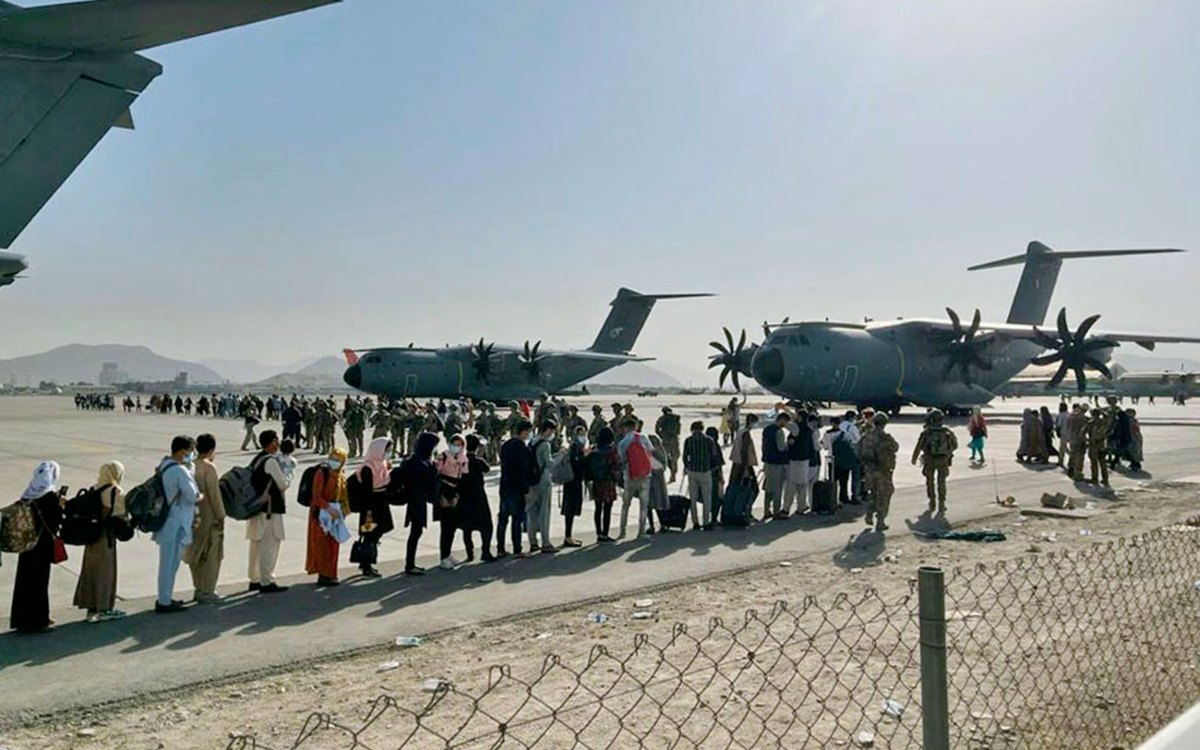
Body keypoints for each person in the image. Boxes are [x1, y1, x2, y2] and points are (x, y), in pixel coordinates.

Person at [10, 462, 66, 633]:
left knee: (24, 581)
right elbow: (56, 520)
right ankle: (38, 621)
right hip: (41, 546)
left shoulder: (28, 494)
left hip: (26, 544)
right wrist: (61, 504)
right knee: (39, 583)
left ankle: (21, 620)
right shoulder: (48, 497)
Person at [73, 461, 127, 622]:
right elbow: (121, 514)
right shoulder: (115, 491)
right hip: (106, 536)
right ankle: (104, 608)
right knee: (106, 572)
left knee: (90, 571)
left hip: (91, 536)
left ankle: (91, 607)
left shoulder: (95, 488)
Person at [156, 436, 201, 613]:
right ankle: (164, 601)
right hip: (176, 523)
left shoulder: (164, 465)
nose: (191, 455)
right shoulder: (180, 471)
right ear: (182, 452)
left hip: (167, 521)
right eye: (190, 451)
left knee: (167, 563)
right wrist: (201, 497)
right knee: (170, 563)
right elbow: (192, 495)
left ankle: (165, 597)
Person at [246, 430, 289, 593]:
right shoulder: (271, 461)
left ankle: (255, 579)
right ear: (271, 442)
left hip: (256, 508)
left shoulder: (257, 459)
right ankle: (267, 580)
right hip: (270, 510)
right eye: (276, 441)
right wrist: (289, 475)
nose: (278, 444)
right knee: (270, 545)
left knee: (256, 545)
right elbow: (282, 483)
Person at [184, 434, 225, 604]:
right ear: (211, 450)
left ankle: (198, 588)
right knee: (211, 555)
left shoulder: (189, 465)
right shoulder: (209, 468)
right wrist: (221, 515)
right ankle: (208, 590)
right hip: (209, 518)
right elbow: (215, 496)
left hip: (192, 517)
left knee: (195, 554)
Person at [306, 448, 348, 586]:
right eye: (332, 458)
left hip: (335, 514)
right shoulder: (322, 473)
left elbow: (343, 495)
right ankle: (323, 575)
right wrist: (328, 508)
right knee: (322, 545)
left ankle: (331, 573)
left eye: (337, 459)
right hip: (322, 514)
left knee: (333, 544)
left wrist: (343, 510)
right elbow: (316, 496)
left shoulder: (341, 474)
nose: (334, 462)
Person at [399, 432, 440, 574]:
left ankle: (410, 563)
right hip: (417, 500)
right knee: (416, 532)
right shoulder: (420, 462)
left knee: (416, 532)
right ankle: (409, 565)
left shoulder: (418, 459)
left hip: (416, 499)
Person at [355, 437, 395, 578]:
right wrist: (369, 512)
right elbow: (367, 492)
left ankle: (366, 561)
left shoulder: (382, 464)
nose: (389, 453)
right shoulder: (368, 468)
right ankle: (367, 564)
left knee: (379, 531)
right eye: (387, 450)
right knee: (369, 534)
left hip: (381, 504)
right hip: (370, 507)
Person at [498, 420, 534, 558]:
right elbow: (523, 472)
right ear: (524, 431)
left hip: (505, 486)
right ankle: (517, 548)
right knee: (516, 519)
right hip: (517, 488)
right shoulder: (523, 449)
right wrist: (526, 491)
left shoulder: (505, 445)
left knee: (503, 519)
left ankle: (500, 548)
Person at [911, 409, 957, 515]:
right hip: (943, 461)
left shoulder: (927, 433)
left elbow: (919, 446)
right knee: (942, 482)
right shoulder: (947, 432)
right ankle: (942, 503)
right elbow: (955, 445)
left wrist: (914, 458)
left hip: (930, 460)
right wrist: (947, 453)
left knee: (930, 482)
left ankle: (932, 502)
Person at [458, 435, 496, 562]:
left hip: (464, 496)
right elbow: (487, 468)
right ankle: (485, 551)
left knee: (466, 527)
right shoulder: (479, 461)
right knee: (486, 525)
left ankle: (470, 553)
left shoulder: (461, 460)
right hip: (478, 496)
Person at [858, 413, 899, 532]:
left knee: (873, 493)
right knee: (885, 494)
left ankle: (869, 513)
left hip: (869, 470)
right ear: (884, 423)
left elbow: (858, 450)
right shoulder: (885, 437)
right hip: (883, 471)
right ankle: (880, 521)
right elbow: (895, 447)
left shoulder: (866, 436)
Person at [617, 418, 654, 539]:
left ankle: (622, 532)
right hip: (644, 475)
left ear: (625, 428)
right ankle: (641, 531)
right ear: (636, 426)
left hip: (629, 476)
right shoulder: (643, 437)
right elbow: (651, 451)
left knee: (625, 505)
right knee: (644, 505)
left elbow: (621, 459)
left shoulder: (623, 442)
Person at [434, 434, 467, 570]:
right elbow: (436, 475)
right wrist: (441, 497)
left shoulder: (462, 459)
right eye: (454, 443)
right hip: (444, 491)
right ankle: (443, 557)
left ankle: (448, 554)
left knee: (453, 527)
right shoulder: (443, 456)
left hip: (455, 492)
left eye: (459, 444)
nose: (456, 446)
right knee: (445, 527)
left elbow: (462, 477)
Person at [525, 421, 557, 553]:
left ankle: (532, 542)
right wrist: (561, 456)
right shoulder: (545, 444)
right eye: (553, 431)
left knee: (531, 512)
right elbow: (549, 463)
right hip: (543, 480)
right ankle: (546, 542)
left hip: (531, 481)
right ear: (548, 430)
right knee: (544, 512)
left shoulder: (532, 442)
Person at [683, 421, 721, 530]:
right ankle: (706, 522)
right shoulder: (709, 440)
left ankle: (695, 522)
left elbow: (685, 456)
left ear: (692, 429)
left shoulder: (688, 440)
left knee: (693, 498)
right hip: (705, 471)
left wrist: (687, 466)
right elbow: (714, 456)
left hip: (692, 471)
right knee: (707, 498)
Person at [587, 427, 621, 542]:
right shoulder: (611, 450)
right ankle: (605, 533)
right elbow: (617, 464)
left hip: (597, 481)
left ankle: (599, 533)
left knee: (598, 508)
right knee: (607, 508)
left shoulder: (595, 448)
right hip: (608, 481)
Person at [561, 425, 588, 547]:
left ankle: (569, 536)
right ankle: (567, 537)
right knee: (570, 509)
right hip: (572, 481)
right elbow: (576, 463)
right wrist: (585, 456)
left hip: (574, 481)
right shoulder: (575, 447)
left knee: (571, 509)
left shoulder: (577, 446)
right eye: (581, 434)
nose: (583, 436)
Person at [761, 412, 790, 522]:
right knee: (777, 489)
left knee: (768, 488)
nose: (786, 424)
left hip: (767, 461)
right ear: (782, 420)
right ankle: (776, 511)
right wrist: (788, 443)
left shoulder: (767, 429)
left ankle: (766, 510)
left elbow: (764, 445)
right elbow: (781, 448)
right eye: (786, 422)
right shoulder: (779, 431)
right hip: (777, 463)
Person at [646, 434, 671, 534]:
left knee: (649, 505)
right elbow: (664, 467)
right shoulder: (662, 451)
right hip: (659, 480)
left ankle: (652, 526)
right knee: (659, 503)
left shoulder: (651, 453)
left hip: (651, 480)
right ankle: (663, 524)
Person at [1086, 406, 1114, 486]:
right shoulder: (1104, 422)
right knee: (1102, 462)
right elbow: (1110, 422)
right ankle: (1105, 479)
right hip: (1101, 444)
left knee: (1094, 463)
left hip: (1093, 444)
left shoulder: (1090, 423)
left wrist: (1087, 440)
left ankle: (1095, 479)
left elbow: (1082, 432)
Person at [654, 407, 683, 484]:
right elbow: (679, 430)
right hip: (674, 439)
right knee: (675, 458)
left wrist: (661, 435)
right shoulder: (676, 418)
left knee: (665, 457)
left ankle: (670, 473)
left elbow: (657, 429)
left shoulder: (662, 418)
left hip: (666, 439)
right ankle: (673, 474)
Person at [1066, 403, 1089, 479]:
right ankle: (1078, 473)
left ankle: (1070, 469)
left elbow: (1068, 426)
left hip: (1072, 438)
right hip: (1080, 439)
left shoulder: (1071, 416)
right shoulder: (1084, 418)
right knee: (1080, 457)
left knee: (1072, 455)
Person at [1053, 402, 1069, 468]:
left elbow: (1059, 425)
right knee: (1065, 447)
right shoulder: (1069, 414)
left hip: (1063, 433)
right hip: (1069, 433)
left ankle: (1060, 461)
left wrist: (1057, 432)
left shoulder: (1060, 415)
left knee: (1062, 448)